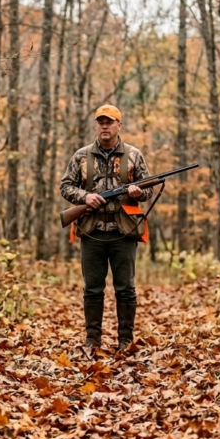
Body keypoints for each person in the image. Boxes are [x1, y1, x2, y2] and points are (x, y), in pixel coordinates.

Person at [59, 104, 153, 352]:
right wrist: (85, 197)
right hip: (92, 232)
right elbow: (65, 186)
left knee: (126, 289)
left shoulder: (134, 155)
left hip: (124, 233)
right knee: (92, 289)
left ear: (119, 125)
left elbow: (149, 189)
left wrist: (138, 191)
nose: (104, 125)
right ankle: (92, 341)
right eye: (100, 121)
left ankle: (125, 341)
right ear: (95, 125)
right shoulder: (81, 156)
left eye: (109, 121)